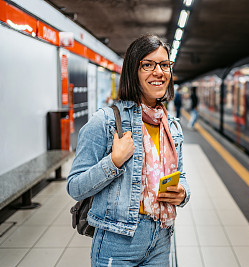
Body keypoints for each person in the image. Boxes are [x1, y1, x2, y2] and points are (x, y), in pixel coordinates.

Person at [67, 34, 190, 267]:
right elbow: (75, 186)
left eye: (164, 64)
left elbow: (181, 176)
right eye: (148, 64)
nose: (159, 72)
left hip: (161, 237)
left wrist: (183, 193)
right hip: (118, 239)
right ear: (133, 70)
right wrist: (113, 162)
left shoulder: (172, 126)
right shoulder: (105, 122)